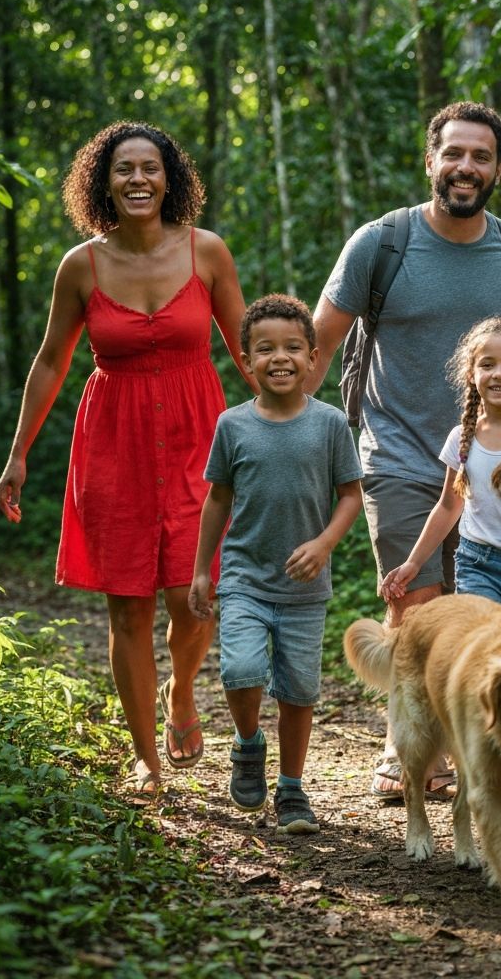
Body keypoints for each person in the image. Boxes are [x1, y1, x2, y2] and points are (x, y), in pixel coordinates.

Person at [305, 100, 501, 800]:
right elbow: (318, 345)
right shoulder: (382, 243)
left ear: (496, 169)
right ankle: (409, 751)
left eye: (480, 157)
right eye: (453, 154)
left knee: (485, 616)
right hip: (398, 452)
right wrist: (284, 435)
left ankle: (478, 749)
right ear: (431, 160)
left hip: (492, 463)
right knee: (419, 606)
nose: (466, 168)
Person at [0, 120, 252, 795]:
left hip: (200, 438)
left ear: (170, 178)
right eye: (123, 169)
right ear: (102, 183)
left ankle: (183, 691)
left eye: (150, 168)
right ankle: (147, 757)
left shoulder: (208, 253)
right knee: (129, 607)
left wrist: (295, 425)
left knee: (193, 598)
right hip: (114, 445)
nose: (138, 179)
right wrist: (17, 453)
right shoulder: (82, 264)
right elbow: (52, 359)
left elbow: (249, 350)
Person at [189, 294, 363, 834]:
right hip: (244, 575)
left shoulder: (330, 424)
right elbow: (218, 498)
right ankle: (247, 744)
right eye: (265, 349)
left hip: (304, 587)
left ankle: (291, 790)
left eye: (292, 347)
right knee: (240, 669)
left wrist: (324, 543)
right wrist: (202, 570)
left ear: (313, 357)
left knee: (299, 690)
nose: (279, 358)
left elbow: (352, 494)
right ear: (246, 361)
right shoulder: (233, 425)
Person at [381, 316, 501, 620]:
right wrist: (414, 563)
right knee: (481, 646)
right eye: (487, 365)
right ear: (471, 373)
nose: (499, 374)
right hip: (478, 565)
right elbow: (448, 507)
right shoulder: (461, 438)